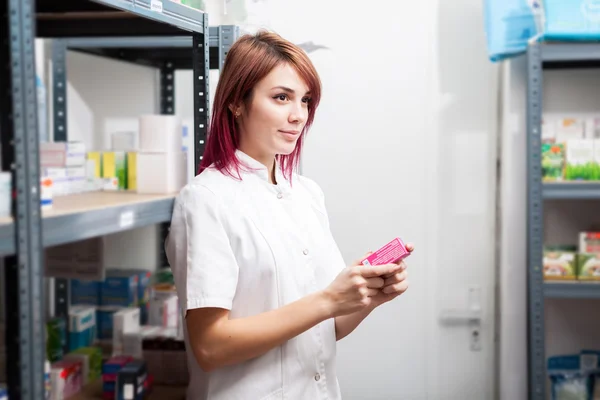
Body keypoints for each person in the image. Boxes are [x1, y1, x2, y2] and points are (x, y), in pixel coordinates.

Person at [165, 30, 413, 400]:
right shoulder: (205, 200)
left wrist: (365, 297)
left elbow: (323, 329)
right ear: (236, 102)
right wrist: (328, 299)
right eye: (281, 98)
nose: (299, 116)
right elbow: (210, 348)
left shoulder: (306, 193)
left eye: (306, 100)